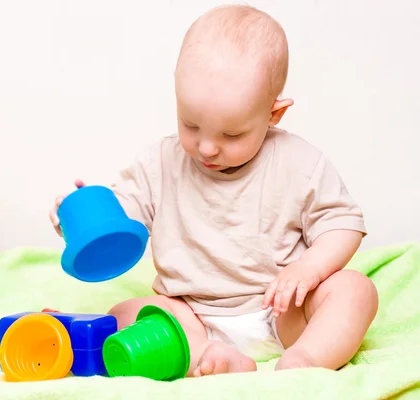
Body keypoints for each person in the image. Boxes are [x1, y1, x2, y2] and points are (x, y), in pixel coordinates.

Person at [49, 4, 378, 376]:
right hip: (191, 315)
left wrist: (308, 268)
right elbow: (121, 219)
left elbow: (343, 223)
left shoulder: (299, 162)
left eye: (231, 134)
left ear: (274, 114)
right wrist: (80, 219)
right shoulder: (159, 162)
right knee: (124, 313)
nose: (206, 148)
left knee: (355, 290)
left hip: (281, 311)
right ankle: (210, 356)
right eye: (191, 125)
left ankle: (307, 358)